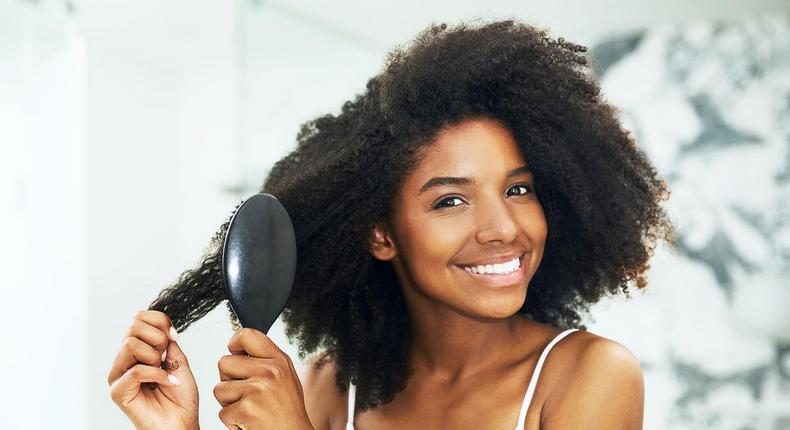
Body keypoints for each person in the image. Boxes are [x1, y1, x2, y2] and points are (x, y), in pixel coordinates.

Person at [108, 19, 675, 429]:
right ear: (381, 233)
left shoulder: (588, 375)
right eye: (451, 201)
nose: (503, 226)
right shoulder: (331, 387)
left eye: (518, 189)